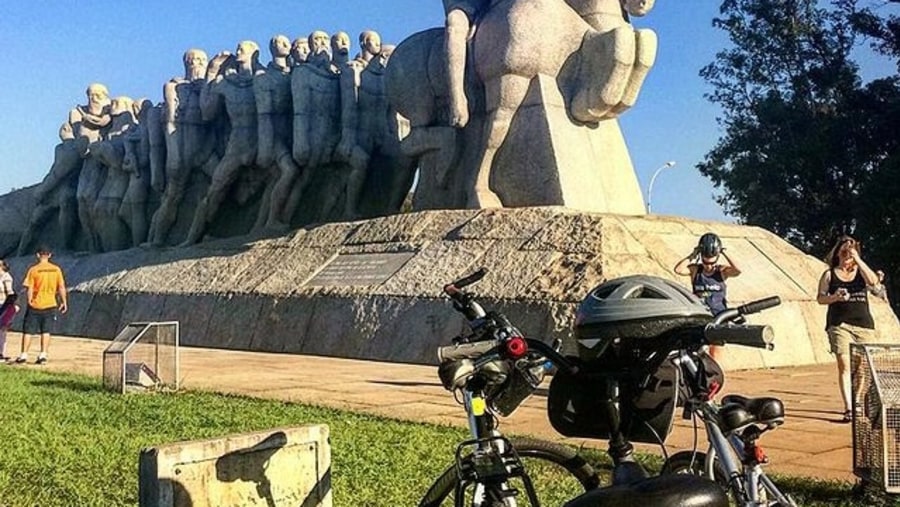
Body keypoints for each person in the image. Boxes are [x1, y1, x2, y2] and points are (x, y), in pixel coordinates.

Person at [816, 235, 879, 423]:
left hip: (863, 324)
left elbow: (874, 282)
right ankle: (849, 407)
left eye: (851, 251)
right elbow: (820, 298)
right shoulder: (829, 274)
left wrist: (858, 259)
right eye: (844, 251)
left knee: (862, 367)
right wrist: (834, 297)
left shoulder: (860, 271)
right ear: (838, 253)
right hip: (839, 324)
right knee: (844, 364)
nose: (847, 255)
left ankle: (857, 400)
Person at [673, 232, 742, 361]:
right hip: (700, 316)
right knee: (695, 352)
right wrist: (693, 255)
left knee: (715, 354)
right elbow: (678, 269)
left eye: (712, 262)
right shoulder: (695, 270)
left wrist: (724, 252)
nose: (708, 266)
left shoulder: (721, 271)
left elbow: (738, 270)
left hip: (719, 316)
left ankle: (715, 380)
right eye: (705, 262)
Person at [13, 247, 68, 365]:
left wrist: (30, 301)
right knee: (46, 330)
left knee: (28, 330)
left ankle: (24, 355)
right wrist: (64, 302)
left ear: (38, 255)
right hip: (50, 304)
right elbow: (61, 287)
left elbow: (30, 287)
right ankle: (43, 355)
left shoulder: (34, 270)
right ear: (50, 255)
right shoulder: (56, 269)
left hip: (36, 304)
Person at [0, 259, 19, 361]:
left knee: (2, 330)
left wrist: (11, 306)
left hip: (3, 304)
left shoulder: (6, 277)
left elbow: (10, 293)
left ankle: (1, 353)